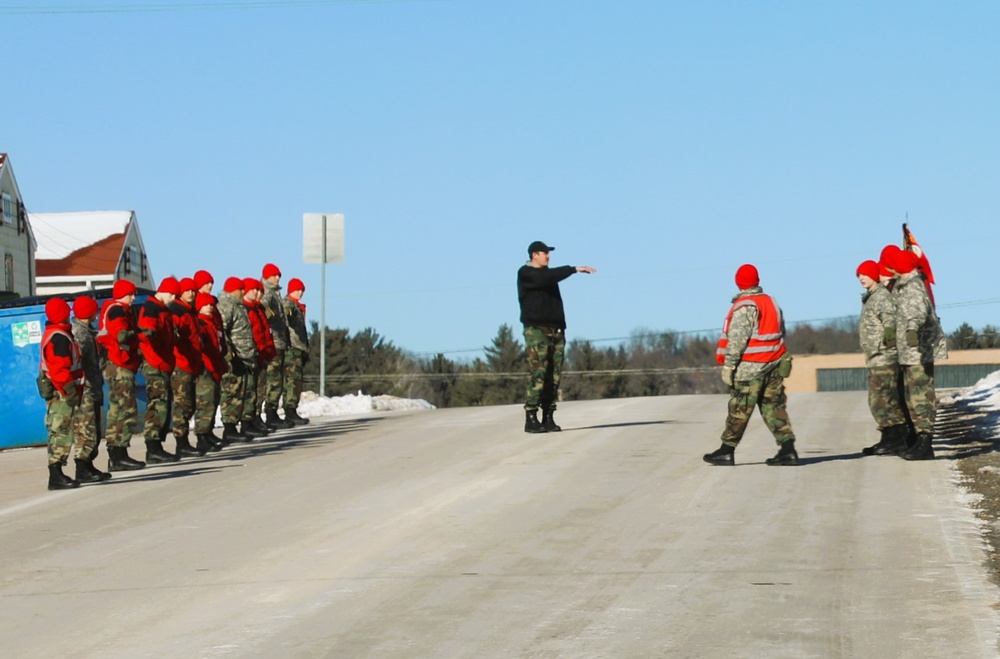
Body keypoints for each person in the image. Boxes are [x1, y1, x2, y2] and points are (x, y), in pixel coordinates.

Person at [704, 264, 798, 466]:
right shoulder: (771, 302)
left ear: (739, 283)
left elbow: (737, 339)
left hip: (750, 368)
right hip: (773, 365)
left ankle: (726, 450)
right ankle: (788, 449)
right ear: (757, 281)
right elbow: (782, 331)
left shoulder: (744, 305)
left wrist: (729, 366)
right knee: (774, 407)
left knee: (739, 409)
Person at [517, 240, 596, 433]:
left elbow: (549, 277)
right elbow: (544, 278)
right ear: (534, 255)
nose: (548, 256)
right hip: (537, 331)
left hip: (556, 330)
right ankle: (531, 417)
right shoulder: (527, 273)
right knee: (539, 373)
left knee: (554, 376)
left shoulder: (549, 276)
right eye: (545, 253)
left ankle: (548, 416)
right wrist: (573, 269)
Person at [881, 246, 948, 460]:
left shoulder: (913, 287)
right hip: (909, 353)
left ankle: (926, 443)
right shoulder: (903, 286)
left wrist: (912, 330)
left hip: (920, 351)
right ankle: (919, 439)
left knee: (922, 397)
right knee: (912, 398)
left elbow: (917, 311)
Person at [856, 260, 909, 456]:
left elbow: (889, 317)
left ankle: (895, 438)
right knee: (882, 400)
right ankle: (890, 438)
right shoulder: (870, 297)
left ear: (874, 276)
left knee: (881, 399)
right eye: (859, 275)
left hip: (884, 356)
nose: (862, 278)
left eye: (865, 274)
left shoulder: (880, 297)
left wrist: (888, 333)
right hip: (875, 356)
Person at [97, 279, 145, 471]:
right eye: (130, 294)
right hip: (119, 365)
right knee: (126, 410)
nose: (133, 297)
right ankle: (119, 453)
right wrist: (138, 335)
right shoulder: (118, 311)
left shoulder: (115, 309)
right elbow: (120, 334)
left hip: (115, 364)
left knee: (116, 410)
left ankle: (116, 454)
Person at [39, 297, 84, 490]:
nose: (70, 314)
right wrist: (70, 391)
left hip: (61, 390)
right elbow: (60, 370)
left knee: (61, 431)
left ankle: (58, 473)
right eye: (67, 311)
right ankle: (56, 475)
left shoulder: (59, 334)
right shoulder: (58, 337)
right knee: (60, 432)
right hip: (61, 392)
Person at [138, 277, 180, 464]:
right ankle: (153, 447)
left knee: (163, 405)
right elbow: (147, 330)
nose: (172, 298)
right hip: (154, 362)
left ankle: (157, 446)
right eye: (171, 293)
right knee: (157, 405)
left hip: (164, 362)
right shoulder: (152, 308)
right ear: (162, 291)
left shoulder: (164, 310)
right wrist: (151, 334)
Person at [70, 295, 112, 483]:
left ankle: (88, 464)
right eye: (95, 310)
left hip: (93, 386)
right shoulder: (79, 334)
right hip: (85, 388)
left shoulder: (89, 332)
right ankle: (82, 467)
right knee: (85, 427)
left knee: (93, 427)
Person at [169, 278, 206, 457]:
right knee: (182, 405)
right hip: (181, 364)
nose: (191, 293)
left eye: (193, 290)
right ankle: (181, 442)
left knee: (189, 404)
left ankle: (183, 441)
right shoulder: (177, 311)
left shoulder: (190, 311)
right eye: (187, 290)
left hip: (191, 364)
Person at [217, 277, 257, 442]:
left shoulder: (238, 306)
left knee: (241, 392)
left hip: (245, 355)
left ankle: (235, 426)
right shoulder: (227, 306)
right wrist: (231, 355)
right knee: (232, 392)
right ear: (234, 290)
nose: (243, 293)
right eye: (241, 289)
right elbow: (223, 330)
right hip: (235, 357)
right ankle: (229, 427)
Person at [260, 263, 294, 429]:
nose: (277, 278)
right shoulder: (267, 292)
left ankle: (272, 412)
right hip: (273, 342)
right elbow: (263, 307)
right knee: (273, 379)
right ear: (266, 277)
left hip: (279, 341)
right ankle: (270, 413)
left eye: (278, 275)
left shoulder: (275, 293)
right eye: (274, 275)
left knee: (277, 378)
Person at [194, 293, 227, 449]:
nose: (209, 307)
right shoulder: (200, 323)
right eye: (205, 304)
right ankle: (202, 435)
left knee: (213, 400)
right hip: (205, 366)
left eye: (211, 305)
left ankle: (208, 432)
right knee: (205, 401)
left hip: (215, 364)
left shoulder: (213, 322)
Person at [244, 277, 277, 434]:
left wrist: (269, 350)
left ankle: (256, 417)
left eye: (260, 291)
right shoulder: (246, 310)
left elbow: (265, 332)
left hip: (263, 354)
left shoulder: (259, 309)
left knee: (260, 389)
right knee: (252, 390)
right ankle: (248, 420)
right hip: (253, 354)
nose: (258, 293)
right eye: (254, 290)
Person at [281, 277, 310, 425]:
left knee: (296, 380)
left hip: (298, 347)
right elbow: (285, 317)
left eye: (302, 290)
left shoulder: (298, 306)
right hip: (292, 347)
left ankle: (291, 409)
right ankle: (289, 410)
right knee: (292, 380)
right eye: (297, 289)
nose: (300, 292)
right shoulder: (289, 304)